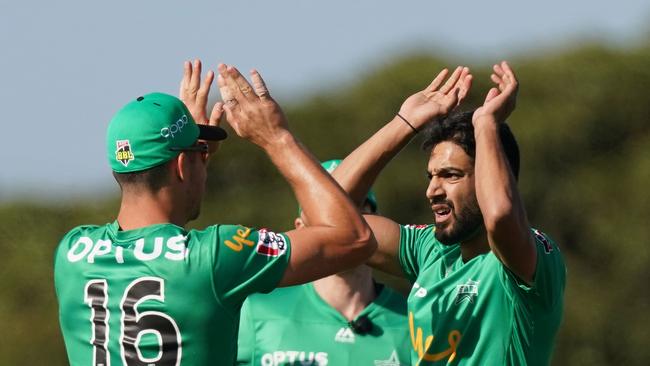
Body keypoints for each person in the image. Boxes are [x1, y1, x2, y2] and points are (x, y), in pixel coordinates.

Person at [54, 60, 376, 366]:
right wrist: (277, 138)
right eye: (199, 153)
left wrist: (193, 162)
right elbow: (353, 238)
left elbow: (158, 249)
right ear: (181, 165)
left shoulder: (71, 253)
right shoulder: (216, 256)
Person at [331, 62, 566, 365]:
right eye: (431, 176)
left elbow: (500, 216)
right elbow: (329, 214)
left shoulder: (527, 256)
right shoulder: (430, 250)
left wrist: (485, 124)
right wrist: (404, 123)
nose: (433, 190)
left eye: (451, 175)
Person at [237, 159, 410, 366]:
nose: (344, 230)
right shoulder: (255, 311)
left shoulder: (415, 320)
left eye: (354, 214)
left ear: (379, 223)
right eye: (328, 216)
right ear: (301, 228)